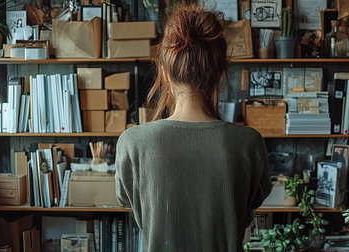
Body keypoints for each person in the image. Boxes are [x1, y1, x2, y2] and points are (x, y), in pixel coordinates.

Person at [115, 4, 272, 251]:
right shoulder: (249, 142)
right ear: (220, 74)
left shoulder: (132, 142)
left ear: (165, 74)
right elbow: (254, 199)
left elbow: (126, 200)